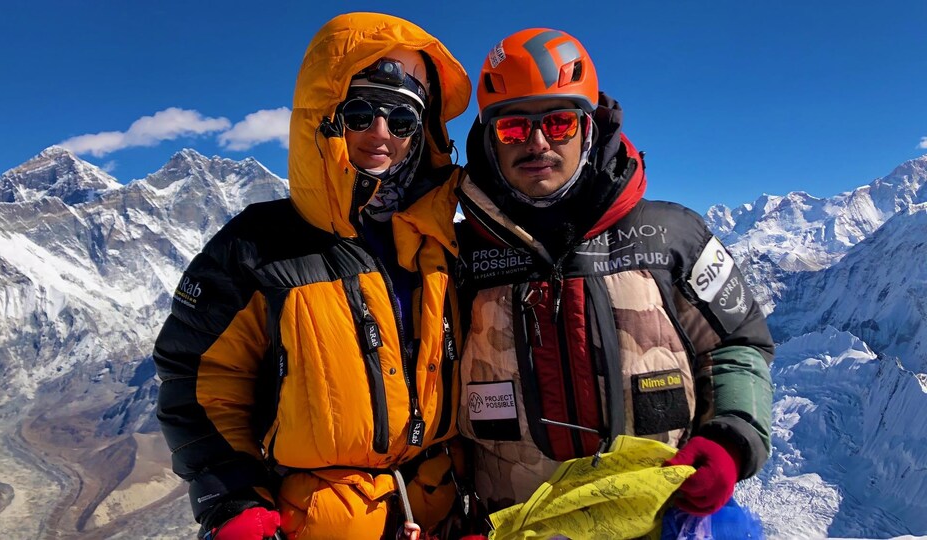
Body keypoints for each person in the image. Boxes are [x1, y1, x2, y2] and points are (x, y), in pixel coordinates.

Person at [153, 12, 471, 540]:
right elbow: (199, 384)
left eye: (402, 120)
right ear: (325, 116)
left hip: (444, 516)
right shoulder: (257, 246)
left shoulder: (440, 242)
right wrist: (232, 501)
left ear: (422, 134)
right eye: (361, 112)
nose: (380, 133)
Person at [454, 28, 774, 522]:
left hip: (664, 517)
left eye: (559, 122)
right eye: (513, 128)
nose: (537, 143)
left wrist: (731, 438)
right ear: (488, 140)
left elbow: (737, 343)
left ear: (590, 127)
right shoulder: (458, 255)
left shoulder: (672, 236)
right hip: (516, 525)